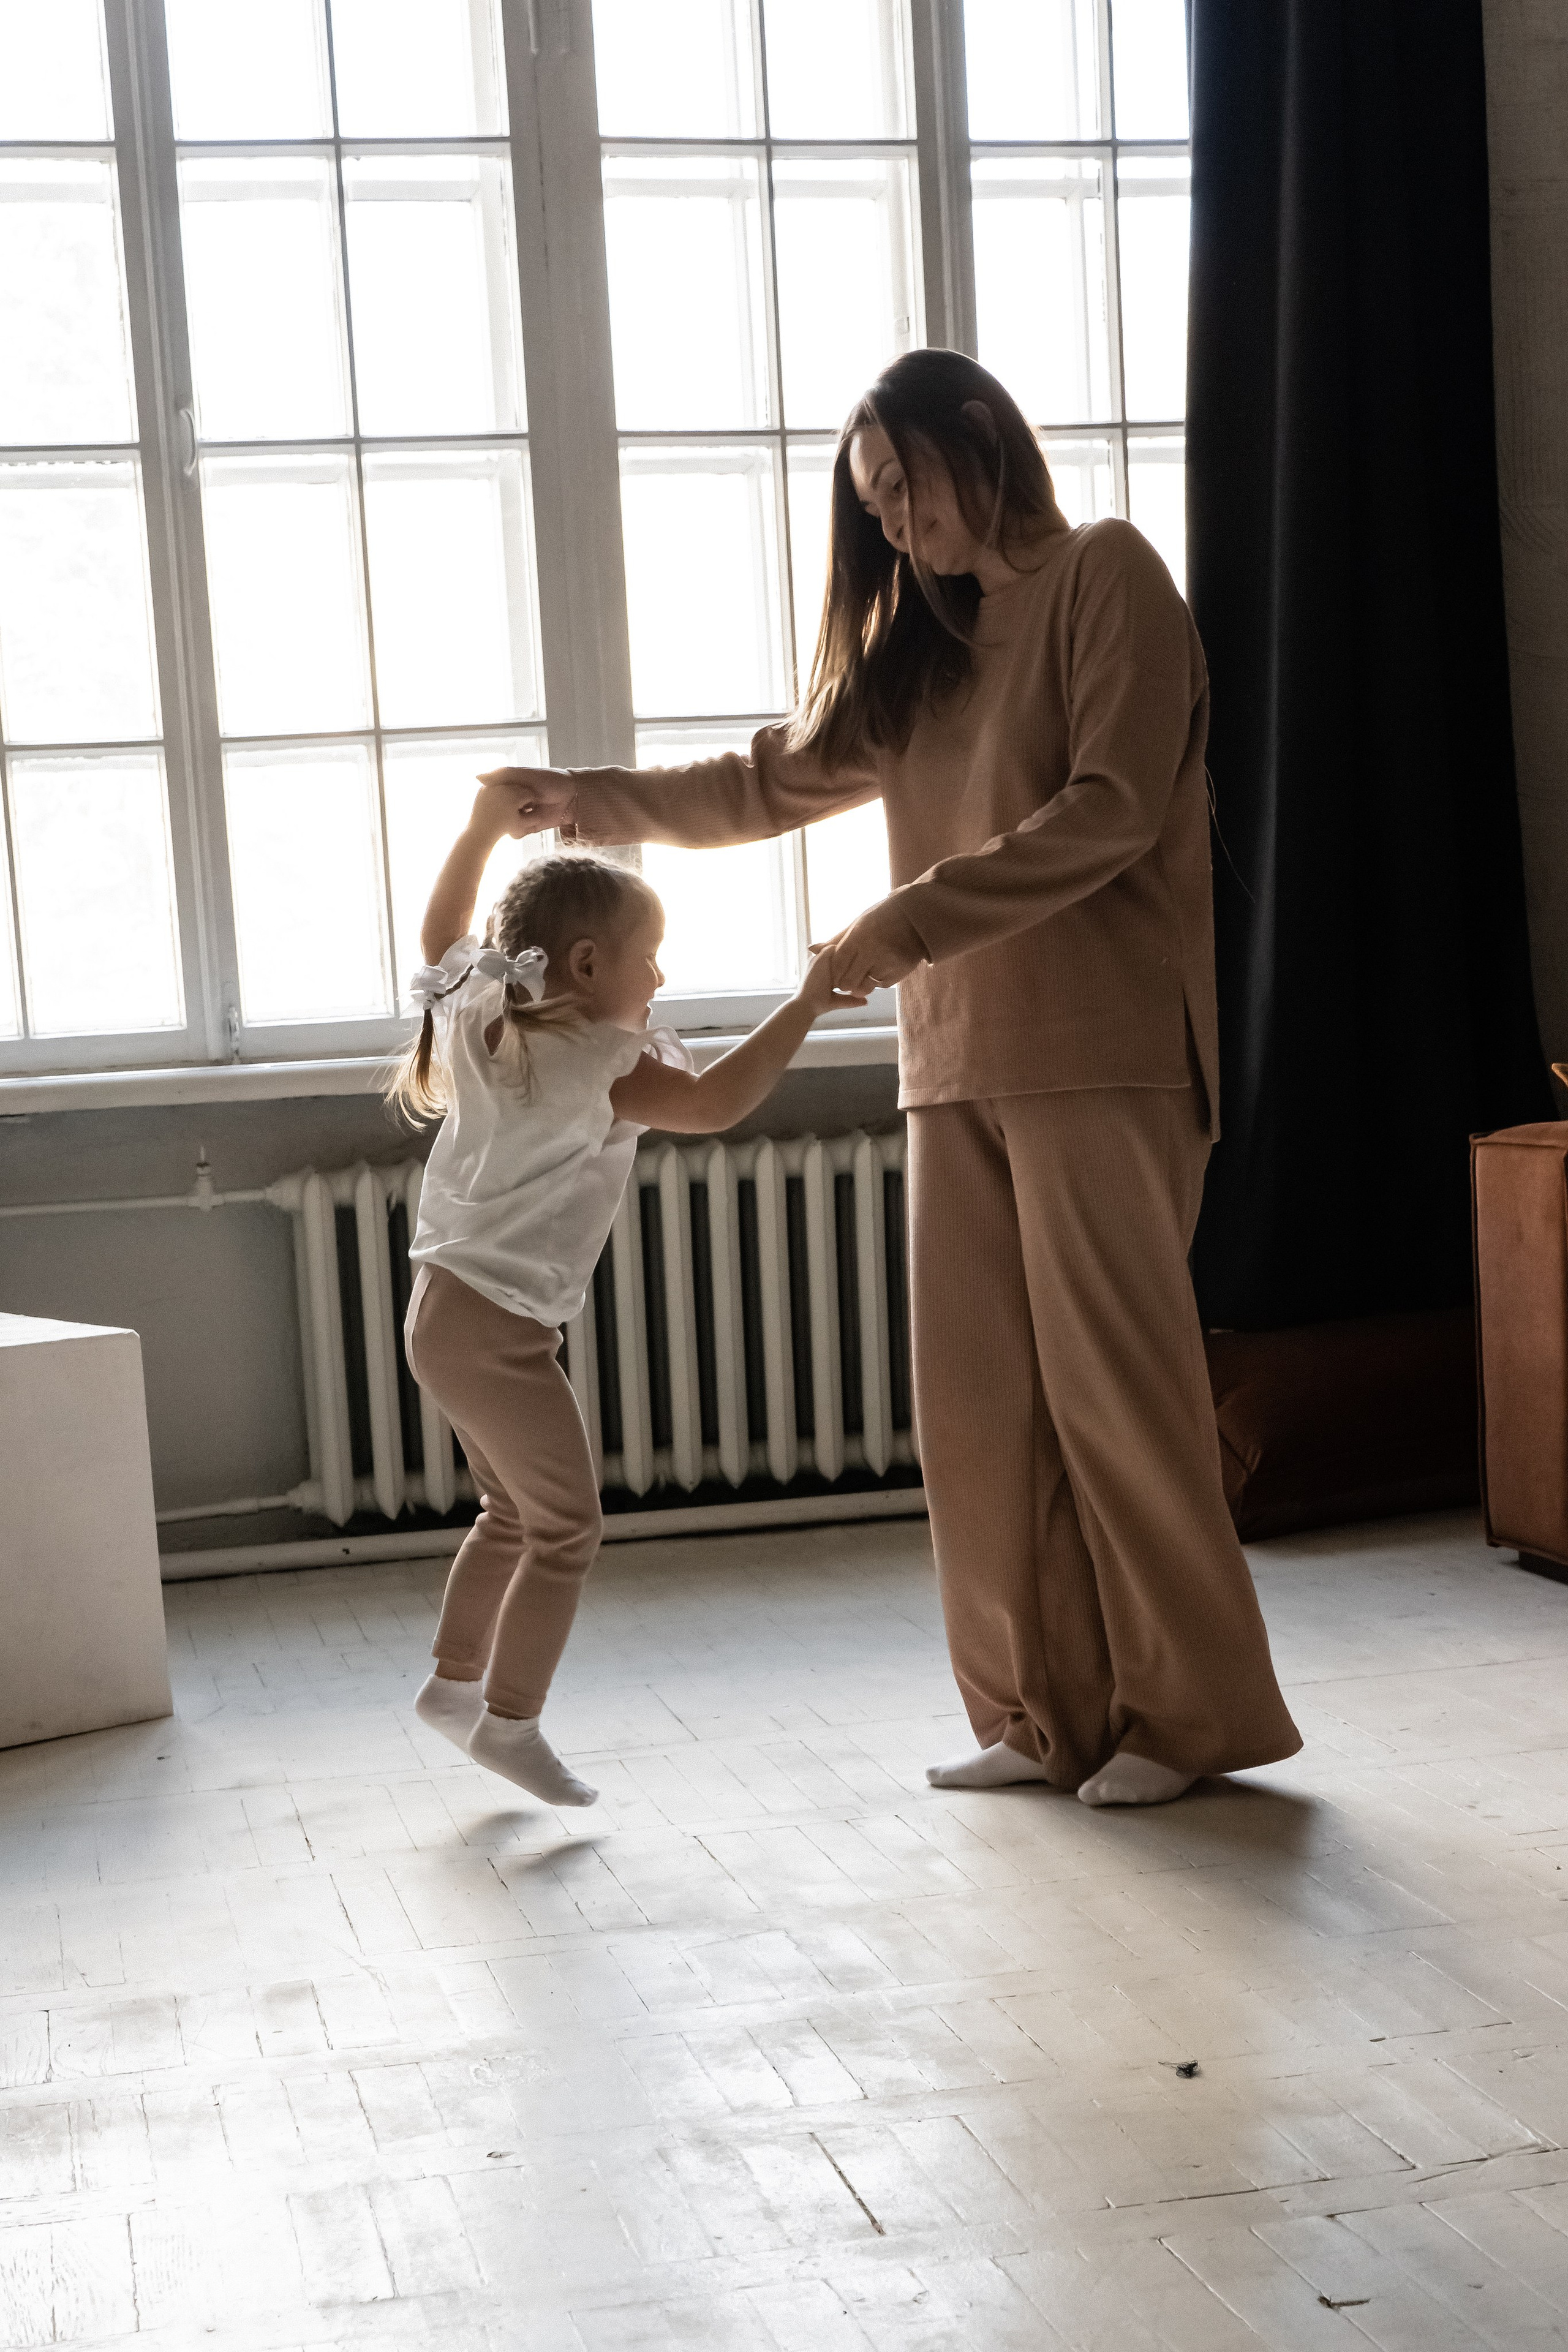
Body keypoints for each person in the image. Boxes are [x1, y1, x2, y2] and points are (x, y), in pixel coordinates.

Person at [481, 347, 1301, 1808]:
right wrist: (584, 800)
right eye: (871, 507)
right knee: (977, 1415)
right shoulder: (922, 649)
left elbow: (1110, 809)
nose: (894, 524)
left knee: (1115, 1398)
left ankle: (1185, 1720)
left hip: (1099, 1050)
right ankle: (1036, 1717)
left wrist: (908, 918)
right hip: (951, 1058)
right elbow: (765, 779)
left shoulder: (1105, 575)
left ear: (974, 435)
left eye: (899, 486)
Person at [390, 783, 864, 1804]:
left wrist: (479, 830)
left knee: (511, 1513)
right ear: (586, 965)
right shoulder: (602, 1063)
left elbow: (439, 932)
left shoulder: (482, 1011)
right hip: (497, 1328)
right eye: (650, 958)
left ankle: (453, 1684)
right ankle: (509, 1722)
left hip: (442, 1312)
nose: (661, 977)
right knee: (568, 1529)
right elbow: (717, 1102)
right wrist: (805, 1005)